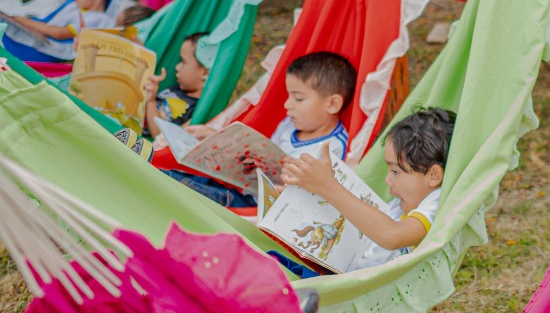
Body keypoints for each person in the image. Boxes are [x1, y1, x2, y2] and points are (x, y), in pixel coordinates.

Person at [277, 107, 454, 276]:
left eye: (395, 171)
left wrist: (327, 186)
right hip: (335, 268)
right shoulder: (406, 203)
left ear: (433, 176)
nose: (388, 180)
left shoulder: (435, 205)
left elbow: (392, 235)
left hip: (349, 287)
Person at [169, 50, 356, 208]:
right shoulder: (289, 124)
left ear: (332, 104)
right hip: (243, 192)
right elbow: (262, 157)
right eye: (289, 95)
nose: (287, 104)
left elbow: (321, 200)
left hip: (259, 210)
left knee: (179, 186)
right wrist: (221, 141)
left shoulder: (332, 149)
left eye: (298, 98)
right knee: (175, 175)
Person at [144, 33, 208, 136]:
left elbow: (160, 137)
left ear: (204, 72)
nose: (177, 67)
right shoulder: (177, 89)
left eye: (183, 61)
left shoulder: (195, 110)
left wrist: (151, 101)